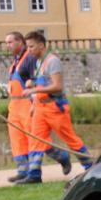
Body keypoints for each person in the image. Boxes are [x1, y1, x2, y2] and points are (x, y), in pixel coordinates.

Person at [19, 31, 92, 184]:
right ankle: (34, 175)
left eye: (31, 46)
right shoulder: (38, 62)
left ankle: (91, 167)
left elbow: (57, 86)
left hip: (55, 108)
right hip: (40, 108)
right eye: (28, 47)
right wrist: (33, 89)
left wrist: (34, 89)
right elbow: (43, 82)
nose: (29, 50)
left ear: (41, 45)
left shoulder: (53, 61)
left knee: (70, 139)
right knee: (35, 139)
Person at [4, 31, 69, 183]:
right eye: (6, 43)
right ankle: (23, 170)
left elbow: (36, 81)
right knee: (17, 138)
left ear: (20, 42)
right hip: (14, 105)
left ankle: (58, 157)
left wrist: (34, 102)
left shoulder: (30, 58)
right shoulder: (16, 61)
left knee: (36, 137)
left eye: (10, 42)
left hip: (26, 103)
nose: (8, 45)